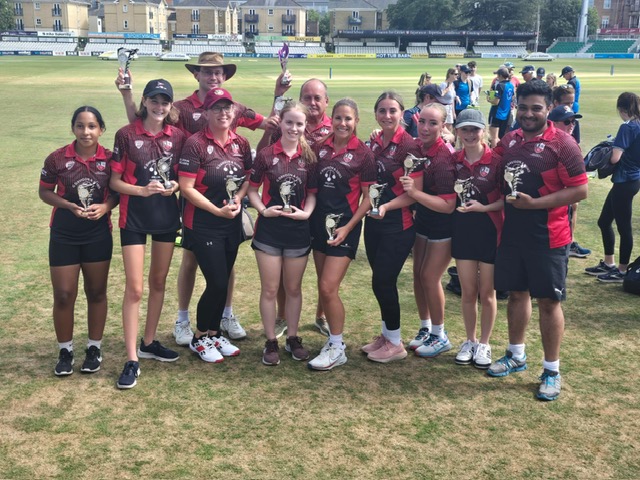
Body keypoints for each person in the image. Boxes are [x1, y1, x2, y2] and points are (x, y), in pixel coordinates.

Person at [116, 52, 284, 347]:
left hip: (226, 197)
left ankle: (224, 315)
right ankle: (183, 319)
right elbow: (143, 125)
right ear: (196, 75)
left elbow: (269, 126)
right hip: (189, 194)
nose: (214, 76)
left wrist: (278, 96)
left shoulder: (234, 106)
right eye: (208, 72)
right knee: (191, 260)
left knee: (224, 262)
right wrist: (128, 94)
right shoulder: (178, 107)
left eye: (219, 72)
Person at [488, 80, 588, 402]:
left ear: (548, 109)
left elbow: (580, 190)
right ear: (516, 106)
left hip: (550, 236)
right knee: (517, 294)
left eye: (537, 108)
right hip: (513, 233)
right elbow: (490, 165)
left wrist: (535, 204)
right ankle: (516, 355)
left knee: (548, 301)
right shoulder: (510, 140)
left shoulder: (563, 144)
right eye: (524, 107)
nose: (529, 114)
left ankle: (551, 370)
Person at [110, 79, 186, 389]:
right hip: (134, 218)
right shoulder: (126, 135)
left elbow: (184, 178)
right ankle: (131, 359)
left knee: (158, 282)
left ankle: (149, 341)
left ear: (170, 105)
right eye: (154, 100)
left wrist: (175, 187)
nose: (159, 106)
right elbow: (114, 182)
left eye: (164, 101)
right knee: (135, 288)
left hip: (166, 217)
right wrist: (142, 190)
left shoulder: (178, 137)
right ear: (145, 101)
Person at [39, 106, 118, 376]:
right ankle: (65, 351)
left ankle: (94, 348)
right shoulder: (57, 158)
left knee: (96, 293)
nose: (86, 132)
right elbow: (44, 191)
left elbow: (117, 192)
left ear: (101, 129)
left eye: (92, 126)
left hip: (97, 234)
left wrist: (106, 207)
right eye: (81, 126)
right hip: (64, 232)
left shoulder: (110, 159)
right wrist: (68, 205)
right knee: (63, 295)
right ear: (73, 128)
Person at [178, 88, 252, 362]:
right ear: (206, 113)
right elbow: (186, 188)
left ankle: (213, 333)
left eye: (227, 108)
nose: (223, 113)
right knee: (218, 281)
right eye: (216, 108)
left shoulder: (240, 143)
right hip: (203, 223)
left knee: (223, 279)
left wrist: (238, 200)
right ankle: (199, 337)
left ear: (234, 112)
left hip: (230, 222)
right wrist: (216, 211)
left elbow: (247, 179)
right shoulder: (195, 143)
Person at [258, 78, 334, 338]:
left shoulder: (334, 127)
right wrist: (277, 99)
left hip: (320, 208)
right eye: (307, 97)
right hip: (288, 210)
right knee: (282, 272)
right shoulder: (289, 123)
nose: (313, 102)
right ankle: (281, 317)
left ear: (326, 101)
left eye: (317, 98)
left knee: (324, 270)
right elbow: (263, 155)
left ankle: (321, 316)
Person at [307, 99, 376, 371]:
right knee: (323, 284)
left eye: (348, 118)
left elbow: (369, 197)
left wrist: (348, 227)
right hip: (317, 226)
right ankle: (329, 336)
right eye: (338, 118)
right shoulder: (319, 147)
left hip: (344, 228)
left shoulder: (363, 154)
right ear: (331, 119)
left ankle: (337, 346)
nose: (342, 123)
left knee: (327, 287)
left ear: (356, 120)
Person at [248, 100, 318, 366]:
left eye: (299, 124)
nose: (294, 128)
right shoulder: (266, 154)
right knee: (269, 289)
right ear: (281, 122)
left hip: (298, 231)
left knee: (293, 289)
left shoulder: (310, 157)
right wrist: (263, 210)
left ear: (305, 126)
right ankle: (270, 341)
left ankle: (292, 337)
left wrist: (307, 213)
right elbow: (252, 189)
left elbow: (312, 194)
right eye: (289, 122)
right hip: (269, 232)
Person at [360, 91, 422, 363]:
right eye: (382, 111)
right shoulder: (375, 143)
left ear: (402, 113)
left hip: (398, 224)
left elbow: (414, 193)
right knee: (379, 282)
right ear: (375, 114)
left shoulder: (409, 146)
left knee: (384, 280)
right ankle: (387, 335)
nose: (387, 116)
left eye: (392, 111)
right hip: (373, 224)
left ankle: (395, 343)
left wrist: (385, 207)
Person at [400, 103, 456, 359]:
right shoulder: (418, 148)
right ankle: (425, 327)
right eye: (422, 121)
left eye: (433, 123)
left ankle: (439, 334)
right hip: (423, 220)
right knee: (418, 275)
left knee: (430, 277)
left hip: (443, 224)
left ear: (443, 126)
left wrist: (414, 193)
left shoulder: (443, 157)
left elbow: (447, 205)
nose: (425, 127)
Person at [450, 109, 503, 369]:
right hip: (463, 232)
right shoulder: (454, 160)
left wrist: (484, 208)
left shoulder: (497, 161)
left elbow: (507, 199)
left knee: (487, 293)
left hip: (490, 231)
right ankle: (469, 340)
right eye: (465, 129)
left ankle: (484, 343)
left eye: (475, 129)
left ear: (483, 131)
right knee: (468, 292)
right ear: (457, 131)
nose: (470, 134)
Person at [585, 92, 640, 283]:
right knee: (604, 221)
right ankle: (609, 263)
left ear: (621, 109)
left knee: (624, 227)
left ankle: (622, 270)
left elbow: (615, 157)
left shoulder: (628, 127)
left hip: (625, 180)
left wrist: (608, 150)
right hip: (631, 180)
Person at [551, 86, 591, 258]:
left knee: (573, 206)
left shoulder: (573, 120)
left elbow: (576, 145)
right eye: (566, 103)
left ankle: (571, 241)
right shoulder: (545, 122)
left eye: (572, 102)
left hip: (570, 173)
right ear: (555, 103)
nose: (571, 105)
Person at [488, 67, 515, 147]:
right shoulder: (511, 85)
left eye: (497, 75)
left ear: (500, 75)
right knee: (502, 136)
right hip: (506, 113)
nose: (497, 77)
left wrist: (489, 99)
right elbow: (512, 98)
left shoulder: (500, 85)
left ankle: (494, 155)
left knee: (494, 137)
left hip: (497, 113)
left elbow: (496, 102)